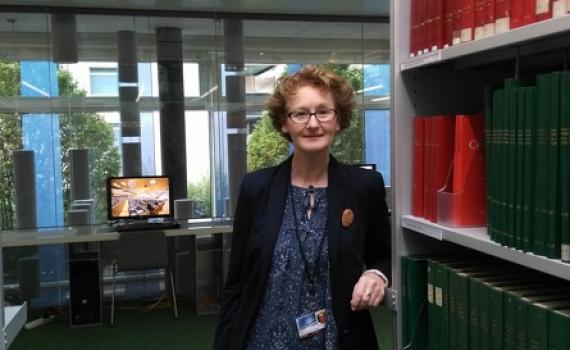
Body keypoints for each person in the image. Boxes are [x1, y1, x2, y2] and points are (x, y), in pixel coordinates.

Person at [214, 65, 391, 350]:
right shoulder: (256, 188)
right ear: (284, 123)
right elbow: (237, 281)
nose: (312, 123)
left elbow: (384, 255)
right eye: (300, 113)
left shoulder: (364, 186)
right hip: (262, 340)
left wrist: (376, 274)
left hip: (337, 340)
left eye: (323, 112)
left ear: (339, 120)